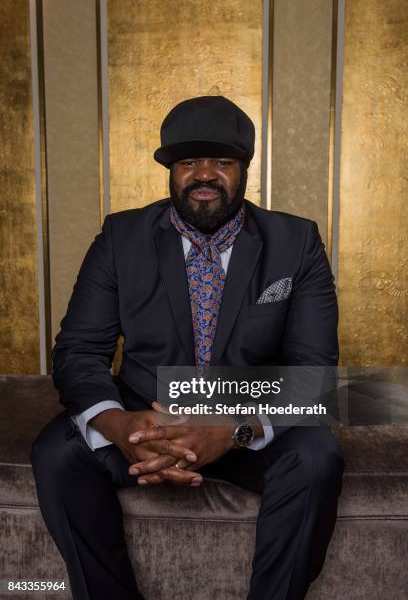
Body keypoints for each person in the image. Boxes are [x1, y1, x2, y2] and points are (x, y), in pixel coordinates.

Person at [31, 95, 345, 600]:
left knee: (316, 455)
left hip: (246, 422)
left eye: (221, 162)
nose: (204, 175)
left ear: (244, 169)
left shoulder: (296, 242)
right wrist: (121, 425)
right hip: (146, 418)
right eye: (188, 162)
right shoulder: (121, 237)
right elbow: (79, 350)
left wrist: (231, 431)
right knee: (59, 453)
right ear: (171, 170)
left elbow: (313, 372)